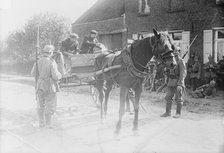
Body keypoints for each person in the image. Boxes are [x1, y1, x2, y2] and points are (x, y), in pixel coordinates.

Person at [31, 45, 62, 128]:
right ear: (51, 52)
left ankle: (41, 123)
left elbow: (33, 73)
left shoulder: (38, 61)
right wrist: (60, 75)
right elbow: (55, 76)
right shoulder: (52, 62)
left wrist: (40, 76)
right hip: (49, 86)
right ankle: (48, 124)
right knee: (50, 105)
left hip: (40, 85)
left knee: (40, 105)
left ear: (44, 52)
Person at [160, 47, 187, 118]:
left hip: (178, 82)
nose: (175, 53)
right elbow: (168, 71)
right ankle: (168, 112)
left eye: (176, 51)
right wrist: (166, 71)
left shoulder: (181, 61)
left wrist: (180, 84)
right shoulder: (171, 61)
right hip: (170, 82)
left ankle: (178, 113)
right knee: (168, 97)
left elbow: (183, 74)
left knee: (178, 98)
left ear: (179, 52)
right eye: (174, 51)